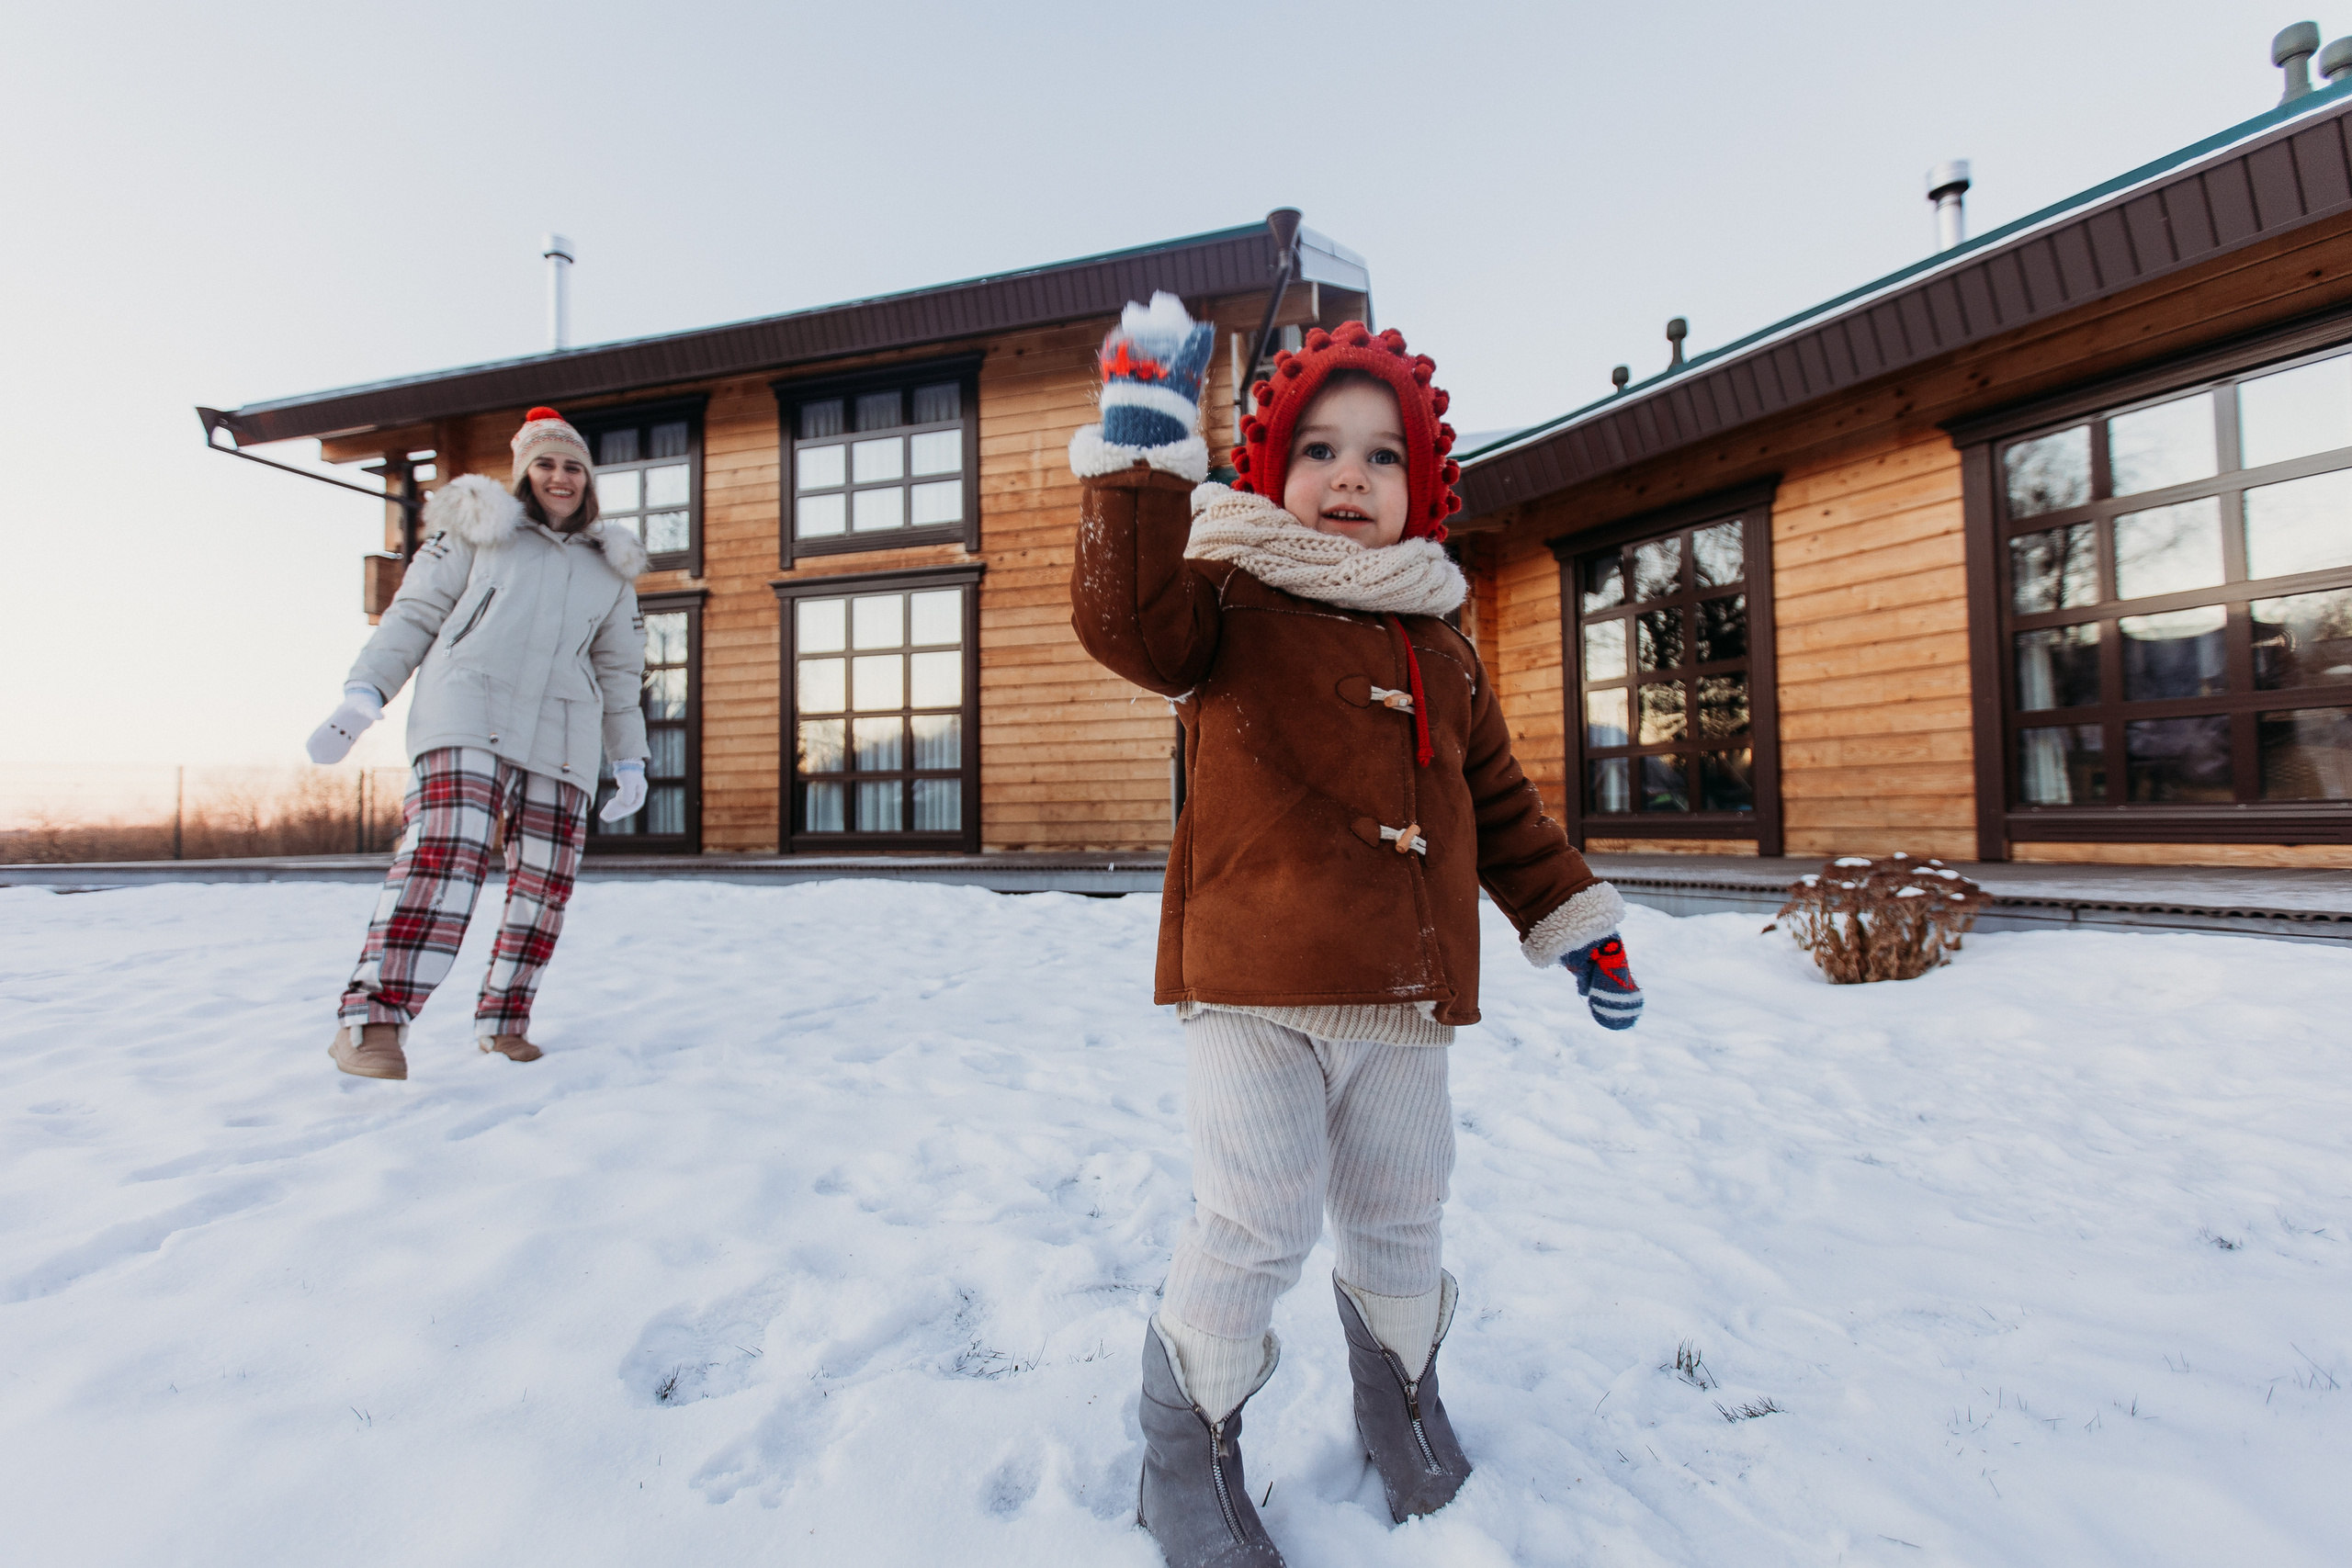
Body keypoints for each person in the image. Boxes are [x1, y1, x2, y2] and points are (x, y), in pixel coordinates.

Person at [1069, 297, 1644, 1565]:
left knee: (1403, 1210)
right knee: (1257, 1216)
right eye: (1323, 447)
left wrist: (1575, 921)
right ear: (1272, 468)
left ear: (1423, 487)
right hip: (1255, 989)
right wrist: (1143, 451)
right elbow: (1124, 620)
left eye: (1384, 455)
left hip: (1406, 999)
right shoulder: (1219, 594)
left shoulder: (1444, 643)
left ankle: (1403, 1406)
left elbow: (1501, 805)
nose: (1351, 475)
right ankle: (1184, 1457)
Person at [304, 407, 650, 1081]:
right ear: (524, 473)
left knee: (545, 883)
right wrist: (364, 694)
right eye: (546, 464)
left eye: (573, 466)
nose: (560, 476)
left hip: (564, 731)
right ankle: (372, 1021)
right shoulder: (478, 530)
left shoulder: (610, 568)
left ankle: (505, 1019)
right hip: (468, 705)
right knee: (446, 854)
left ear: (589, 481)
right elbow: (415, 612)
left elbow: (619, 669)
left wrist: (628, 756)